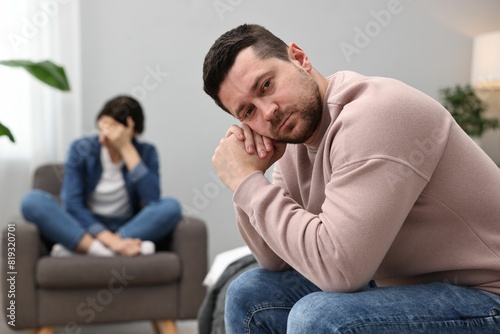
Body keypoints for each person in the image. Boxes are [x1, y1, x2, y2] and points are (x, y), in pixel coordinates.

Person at [203, 24, 500, 333]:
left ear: (298, 57)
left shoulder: (376, 115)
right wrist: (249, 178)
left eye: (266, 85)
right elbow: (275, 259)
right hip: (415, 289)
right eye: (248, 111)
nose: (268, 112)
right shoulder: (296, 140)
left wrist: (247, 183)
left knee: (319, 317)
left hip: (487, 294)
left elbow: (339, 271)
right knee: (249, 293)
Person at [21, 95, 182, 257]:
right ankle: (105, 249)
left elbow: (152, 199)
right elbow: (72, 204)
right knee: (32, 201)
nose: (105, 133)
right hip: (84, 225)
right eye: (103, 124)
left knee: (171, 206)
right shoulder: (80, 148)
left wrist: (126, 148)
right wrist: (113, 242)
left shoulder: (147, 152)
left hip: (127, 226)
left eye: (113, 126)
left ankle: (84, 249)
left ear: (133, 131)